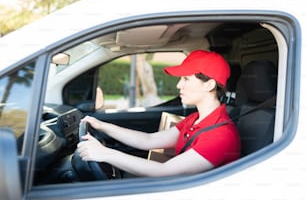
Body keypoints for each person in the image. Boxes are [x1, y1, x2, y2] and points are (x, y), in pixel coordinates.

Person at [77, 50, 241, 177]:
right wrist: (103, 126)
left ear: (209, 85)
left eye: (186, 79)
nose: (178, 85)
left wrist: (105, 154)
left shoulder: (221, 135)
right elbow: (149, 140)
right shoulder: (195, 119)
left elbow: (164, 170)